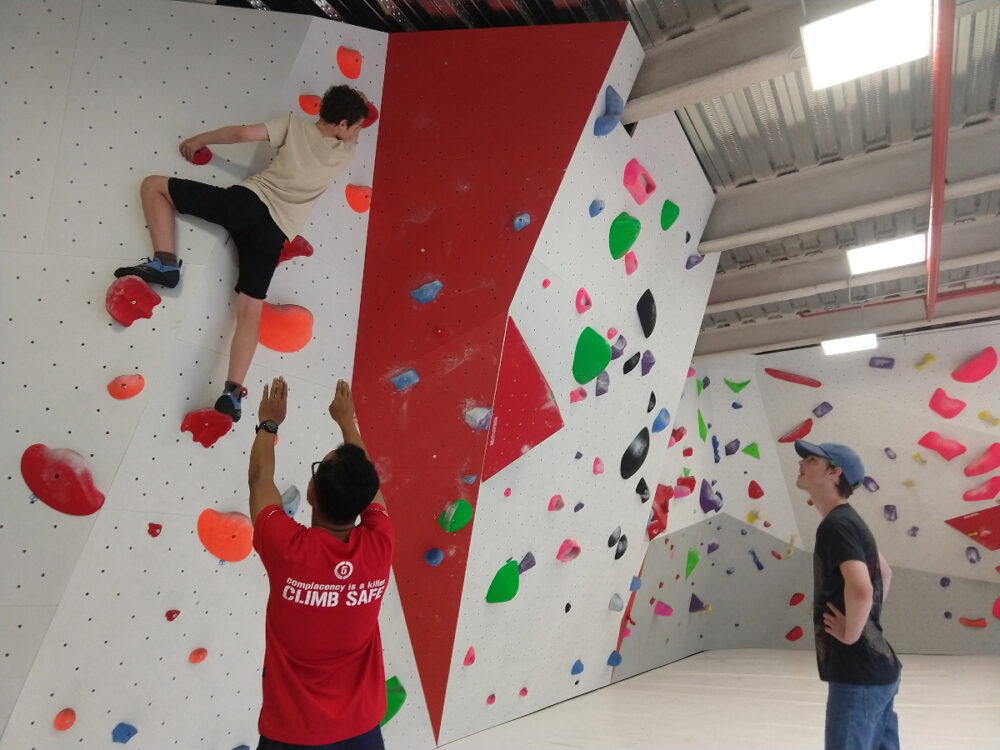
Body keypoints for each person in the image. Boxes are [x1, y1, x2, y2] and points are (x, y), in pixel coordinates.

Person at [115, 85, 368, 421]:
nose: (357, 133)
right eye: (356, 126)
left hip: (247, 205)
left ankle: (165, 264)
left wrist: (199, 139)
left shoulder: (293, 125)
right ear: (341, 123)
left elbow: (241, 133)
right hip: (273, 235)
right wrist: (349, 128)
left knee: (153, 185)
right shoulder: (344, 154)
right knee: (250, 311)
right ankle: (232, 393)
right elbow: (348, 137)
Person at [248, 376, 394, 750]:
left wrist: (269, 422)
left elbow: (260, 479)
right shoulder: (380, 545)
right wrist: (348, 422)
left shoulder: (288, 549)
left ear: (310, 493)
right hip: (362, 730)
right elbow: (370, 485)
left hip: (291, 734)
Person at [794, 439, 902, 750]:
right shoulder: (849, 520)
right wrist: (867, 624)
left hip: (858, 676)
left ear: (834, 473)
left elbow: (861, 588)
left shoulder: (836, 526)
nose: (801, 464)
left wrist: (852, 633)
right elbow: (885, 572)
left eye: (811, 460)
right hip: (878, 671)